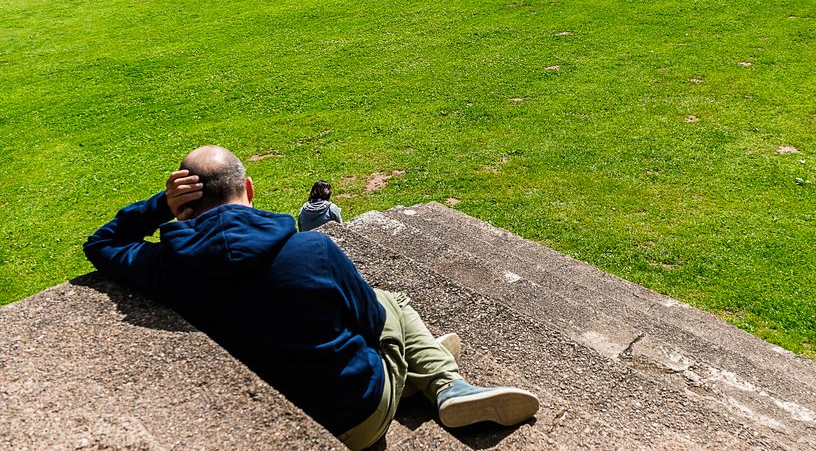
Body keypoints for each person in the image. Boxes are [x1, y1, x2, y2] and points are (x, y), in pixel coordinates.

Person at [84, 145, 539, 450]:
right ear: (248, 190)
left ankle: (422, 370)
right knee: (391, 303)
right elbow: (370, 325)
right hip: (356, 417)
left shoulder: (165, 269)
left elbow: (101, 244)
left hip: (277, 408)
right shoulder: (311, 249)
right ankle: (443, 384)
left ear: (183, 205)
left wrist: (156, 207)